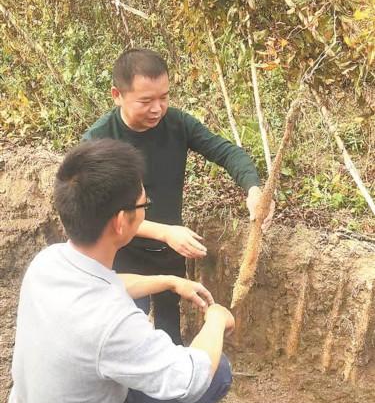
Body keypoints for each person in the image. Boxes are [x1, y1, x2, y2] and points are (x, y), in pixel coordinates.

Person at [8, 139, 235, 403]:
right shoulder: (113, 323)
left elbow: (108, 286)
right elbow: (191, 377)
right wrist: (215, 319)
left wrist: (167, 282)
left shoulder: (48, 261)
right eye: (144, 206)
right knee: (219, 372)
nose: (146, 211)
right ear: (120, 222)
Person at [83, 48, 274, 345]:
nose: (157, 109)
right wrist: (164, 232)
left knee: (169, 327)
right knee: (127, 329)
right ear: (117, 95)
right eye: (146, 101)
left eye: (164, 97)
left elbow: (227, 152)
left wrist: (253, 188)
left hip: (169, 251)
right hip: (121, 252)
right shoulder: (99, 141)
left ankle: (170, 382)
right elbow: (100, 212)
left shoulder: (177, 124)